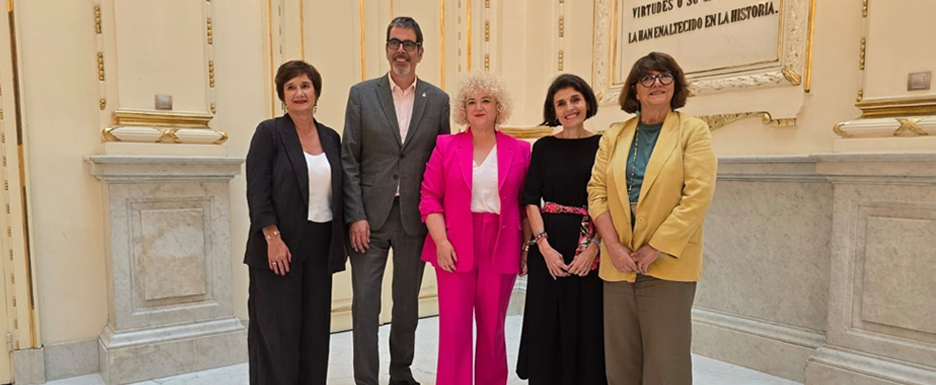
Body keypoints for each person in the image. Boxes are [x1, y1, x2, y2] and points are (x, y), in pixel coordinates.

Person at [587, 51, 717, 385]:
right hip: (617, 263)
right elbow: (596, 191)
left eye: (664, 76)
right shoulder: (615, 134)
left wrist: (655, 247)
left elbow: (697, 196)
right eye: (646, 78)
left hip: (668, 262)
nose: (656, 84)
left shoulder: (693, 131)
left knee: (666, 362)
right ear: (634, 90)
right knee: (621, 361)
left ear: (676, 84)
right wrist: (612, 246)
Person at [342, 16, 451, 385]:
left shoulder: (438, 101)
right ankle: (366, 380)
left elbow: (441, 163)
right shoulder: (361, 94)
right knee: (365, 306)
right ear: (387, 49)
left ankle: (401, 374)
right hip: (367, 222)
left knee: (406, 306)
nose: (400, 50)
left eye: (408, 44)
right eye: (394, 43)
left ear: (420, 52)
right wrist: (355, 215)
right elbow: (349, 159)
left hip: (414, 219)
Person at [419, 71, 531, 385]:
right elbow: (429, 196)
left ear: (498, 107)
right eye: (471, 101)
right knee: (454, 330)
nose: (478, 107)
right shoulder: (445, 146)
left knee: (493, 329)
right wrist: (440, 241)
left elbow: (525, 205)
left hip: (502, 242)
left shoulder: (520, 151)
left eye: (486, 100)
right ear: (463, 110)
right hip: (453, 244)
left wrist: (525, 247)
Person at [244, 60, 346, 385]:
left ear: (316, 92)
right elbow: (257, 188)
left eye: (305, 85)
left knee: (314, 331)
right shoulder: (269, 133)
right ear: (282, 95)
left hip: (319, 244)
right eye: (291, 87)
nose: (299, 93)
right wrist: (271, 237)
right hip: (279, 245)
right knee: (277, 332)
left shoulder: (331, 137)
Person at [516, 74, 607, 385]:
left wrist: (594, 246)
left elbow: (608, 199)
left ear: (587, 103)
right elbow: (530, 199)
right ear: (553, 111)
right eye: (561, 103)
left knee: (587, 320)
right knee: (546, 320)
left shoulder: (603, 144)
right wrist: (543, 247)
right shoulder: (543, 147)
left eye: (575, 100)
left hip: (590, 246)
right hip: (549, 245)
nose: (570, 108)